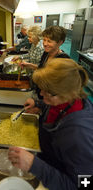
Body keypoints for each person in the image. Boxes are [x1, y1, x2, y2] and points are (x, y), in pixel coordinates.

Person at [8, 58, 93, 190]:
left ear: (67, 93)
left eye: (47, 92)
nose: (41, 94)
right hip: (46, 156)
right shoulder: (66, 100)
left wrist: (34, 165)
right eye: (42, 89)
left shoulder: (79, 136)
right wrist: (39, 104)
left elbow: (82, 185)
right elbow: (55, 108)